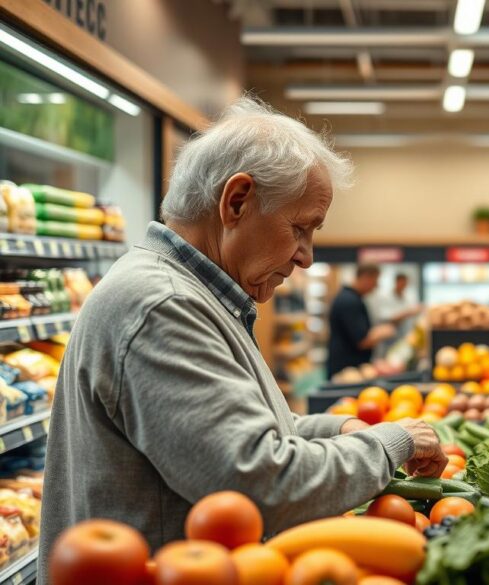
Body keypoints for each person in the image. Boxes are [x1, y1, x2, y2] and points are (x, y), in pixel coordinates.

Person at [37, 98, 447, 583]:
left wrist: (336, 431)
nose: (306, 258)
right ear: (236, 201)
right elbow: (256, 483)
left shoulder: (191, 293)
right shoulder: (163, 305)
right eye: (300, 228)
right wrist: (390, 442)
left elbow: (233, 427)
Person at [327, 264, 397, 377]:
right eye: (375, 280)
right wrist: (385, 331)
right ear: (365, 277)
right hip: (346, 371)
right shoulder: (349, 301)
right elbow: (362, 341)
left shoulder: (351, 297)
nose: (376, 286)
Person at [368, 272, 421, 357]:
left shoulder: (408, 297)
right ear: (396, 282)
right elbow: (387, 318)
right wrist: (408, 313)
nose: (404, 285)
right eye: (402, 283)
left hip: (405, 339)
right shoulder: (385, 297)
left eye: (406, 283)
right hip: (388, 341)